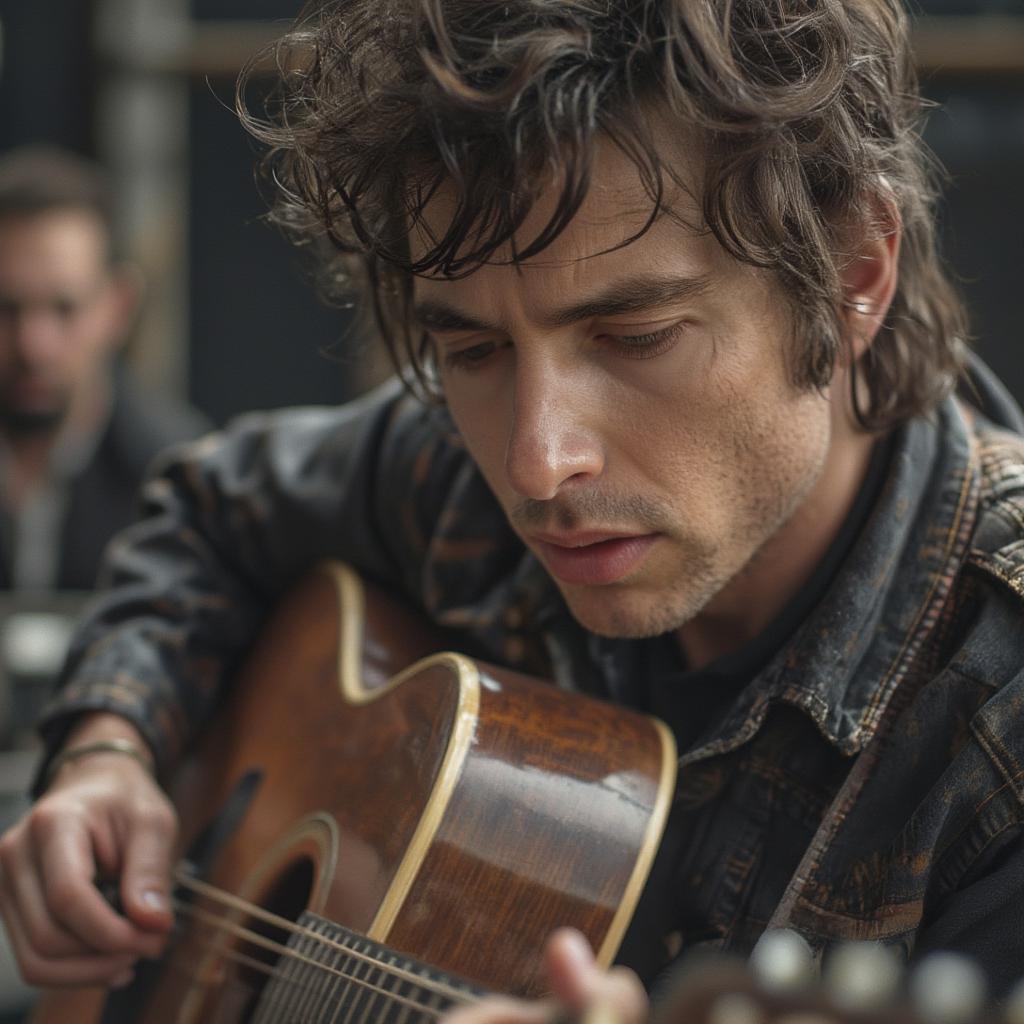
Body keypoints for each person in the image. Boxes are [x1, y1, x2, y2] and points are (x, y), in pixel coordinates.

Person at [2, 1, 1024, 1021]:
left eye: (635, 334)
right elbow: (208, 508)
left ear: (855, 272)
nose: (536, 464)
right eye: (474, 351)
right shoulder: (452, 471)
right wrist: (108, 749)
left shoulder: (999, 711)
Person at [0, 146, 207, 593]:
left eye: (64, 308)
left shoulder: (177, 480)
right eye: (5, 309)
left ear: (118, 306)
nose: (33, 344)